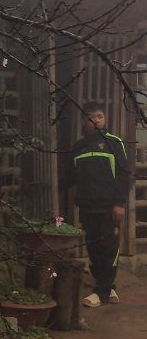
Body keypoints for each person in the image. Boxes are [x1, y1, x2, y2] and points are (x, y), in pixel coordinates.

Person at [61, 102, 129, 307]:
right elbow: (70, 177)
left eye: (100, 116)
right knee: (94, 247)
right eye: (92, 117)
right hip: (87, 207)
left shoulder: (114, 143)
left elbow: (124, 176)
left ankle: (101, 291)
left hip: (109, 207)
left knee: (109, 247)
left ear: (104, 119)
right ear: (84, 121)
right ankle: (108, 287)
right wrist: (53, 187)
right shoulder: (78, 147)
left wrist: (120, 203)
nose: (97, 120)